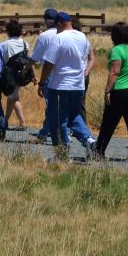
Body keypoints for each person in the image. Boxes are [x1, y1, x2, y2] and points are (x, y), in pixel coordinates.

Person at [39, 12, 97, 161]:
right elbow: (86, 57)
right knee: (74, 116)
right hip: (78, 85)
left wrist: (41, 82)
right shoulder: (82, 37)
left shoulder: (58, 38)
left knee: (57, 120)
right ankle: (89, 140)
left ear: (59, 24)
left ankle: (62, 153)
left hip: (59, 85)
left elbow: (49, 64)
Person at [94, 23, 128, 162]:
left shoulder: (117, 50)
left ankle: (99, 151)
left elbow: (115, 72)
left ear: (116, 36)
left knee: (109, 123)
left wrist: (107, 91)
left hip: (121, 91)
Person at [25, 8, 59, 142]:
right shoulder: (64, 34)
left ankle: (45, 133)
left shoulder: (44, 36)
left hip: (49, 73)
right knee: (60, 105)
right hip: (66, 74)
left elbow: (34, 57)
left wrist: (26, 69)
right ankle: (61, 130)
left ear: (46, 21)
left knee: (50, 106)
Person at [0, 18, 29, 130]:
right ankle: (5, 121)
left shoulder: (5, 45)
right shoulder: (24, 43)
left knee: (14, 98)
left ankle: (22, 123)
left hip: (10, 74)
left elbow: (3, 60)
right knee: (11, 97)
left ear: (8, 31)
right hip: (22, 74)